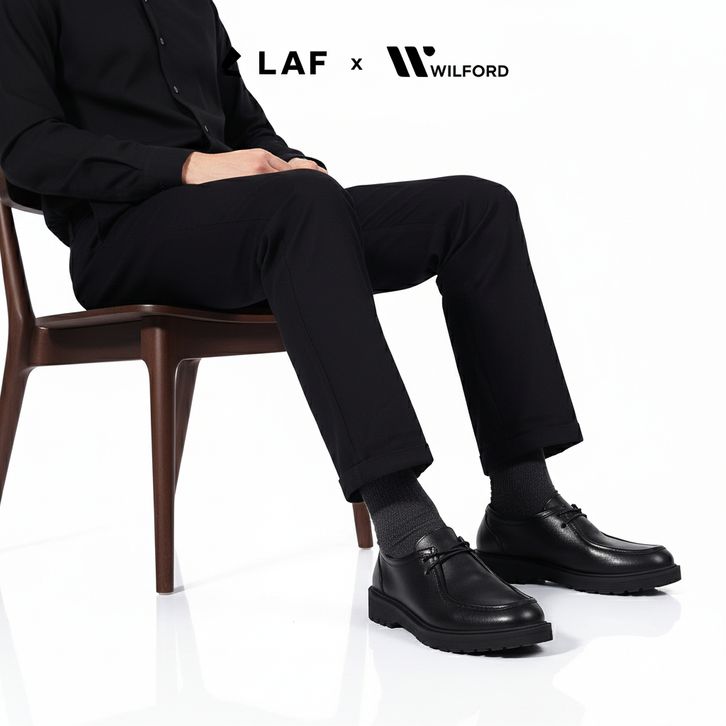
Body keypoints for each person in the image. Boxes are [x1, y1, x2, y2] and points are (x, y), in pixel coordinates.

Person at [0, 0, 680, 654]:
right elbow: (25, 149)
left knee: (476, 209)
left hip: (251, 221)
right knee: (300, 207)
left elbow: (242, 122)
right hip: (124, 240)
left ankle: (524, 507)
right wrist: (188, 167)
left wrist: (290, 159)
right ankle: (405, 534)